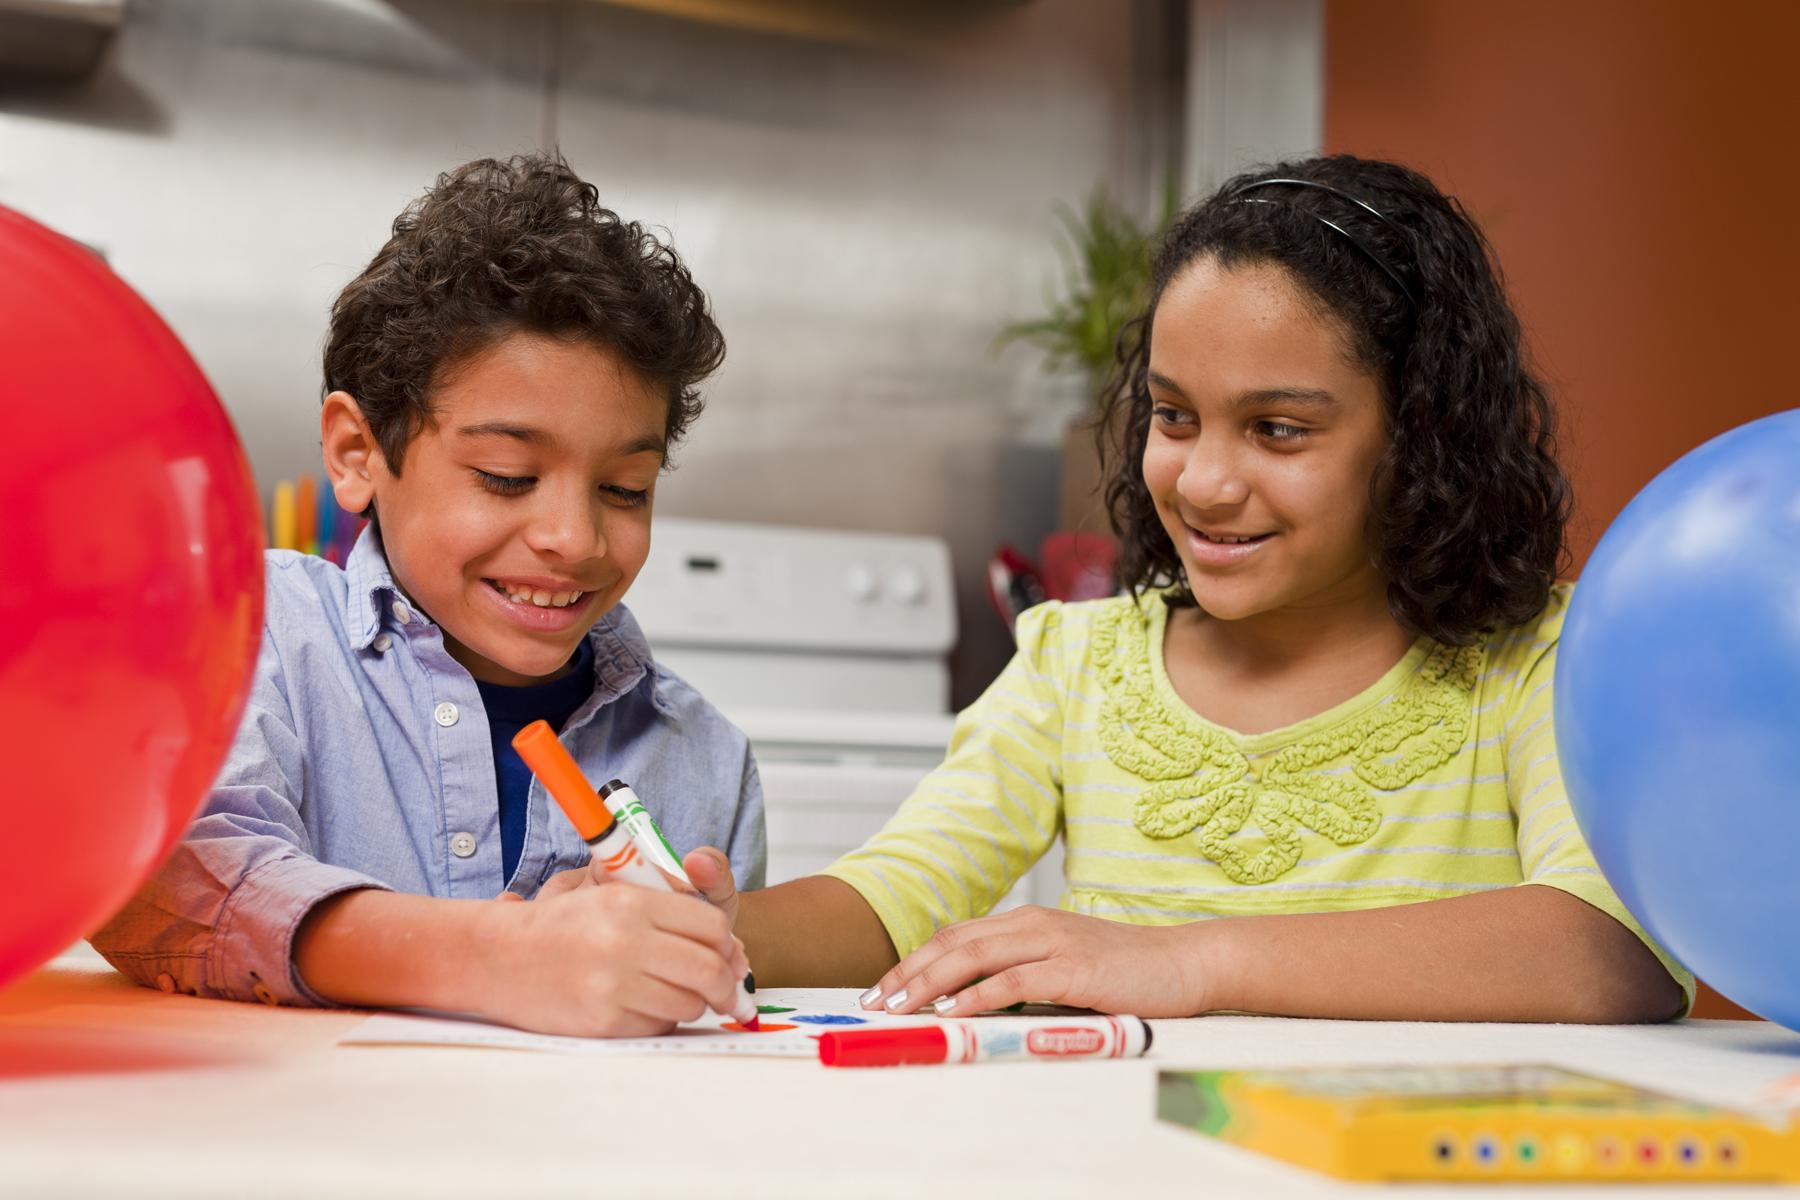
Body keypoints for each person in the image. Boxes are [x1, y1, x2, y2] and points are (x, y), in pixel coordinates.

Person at [690, 155, 1690, 1023]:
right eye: (1174, 416)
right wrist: (712, 932)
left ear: (1418, 439)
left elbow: (1611, 948)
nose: (1205, 482)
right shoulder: (1074, 666)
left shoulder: (1537, 665)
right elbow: (893, 898)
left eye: (1279, 429)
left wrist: (1191, 958)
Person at [92, 153, 764, 1038]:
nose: (575, 538)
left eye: (625, 489)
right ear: (357, 454)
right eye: (506, 475)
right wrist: (506, 953)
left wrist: (691, 962)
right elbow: (168, 879)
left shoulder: (703, 757)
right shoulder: (256, 632)